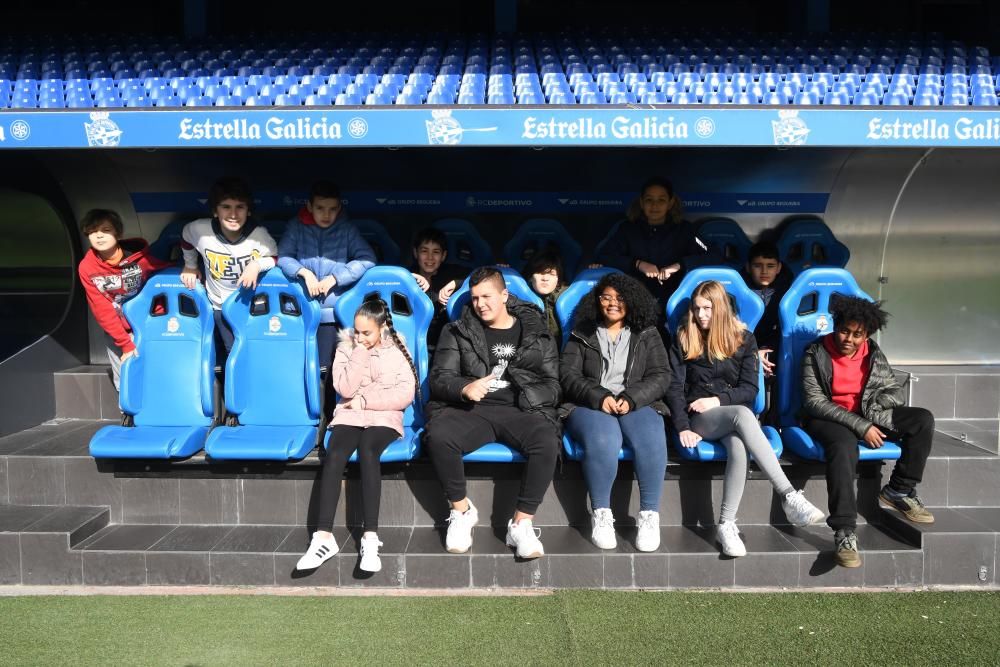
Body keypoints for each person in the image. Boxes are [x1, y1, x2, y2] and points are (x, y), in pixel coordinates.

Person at [667, 280, 825, 557]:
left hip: (730, 415)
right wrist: (681, 426)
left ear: (721, 309)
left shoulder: (744, 339)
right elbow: (675, 389)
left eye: (707, 308)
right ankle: (789, 494)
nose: (701, 315)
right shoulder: (683, 337)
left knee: (739, 448)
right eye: (697, 308)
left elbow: (750, 389)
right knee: (743, 414)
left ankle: (726, 525)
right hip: (700, 418)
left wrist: (717, 400)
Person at [424, 267, 561, 559]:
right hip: (472, 409)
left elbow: (553, 385)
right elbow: (439, 378)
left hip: (520, 409)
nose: (480, 304)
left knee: (547, 440)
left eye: (487, 296)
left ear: (504, 296)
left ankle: (521, 524)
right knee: (438, 435)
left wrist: (528, 396)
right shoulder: (456, 329)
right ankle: (461, 512)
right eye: (474, 298)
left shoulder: (537, 334)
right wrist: (465, 388)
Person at [800, 295, 935, 568]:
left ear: (867, 334)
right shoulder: (815, 352)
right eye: (844, 330)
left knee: (922, 419)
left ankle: (899, 490)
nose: (848, 339)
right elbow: (814, 401)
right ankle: (845, 531)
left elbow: (893, 391)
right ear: (835, 326)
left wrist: (873, 410)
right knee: (843, 446)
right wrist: (862, 426)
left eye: (857, 334)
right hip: (829, 418)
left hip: (867, 414)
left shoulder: (872, 352)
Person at [295, 297, 418, 573]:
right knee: (336, 453)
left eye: (367, 333)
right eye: (357, 331)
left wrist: (367, 401)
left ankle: (370, 537)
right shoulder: (345, 347)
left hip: (383, 416)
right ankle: (323, 537)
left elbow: (404, 394)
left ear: (382, 327)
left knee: (368, 450)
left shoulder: (398, 348)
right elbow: (345, 388)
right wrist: (359, 352)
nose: (360, 337)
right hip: (349, 414)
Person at [560, 273, 670, 551]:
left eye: (619, 298)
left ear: (631, 301)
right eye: (606, 297)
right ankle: (601, 515)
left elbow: (660, 375)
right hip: (589, 404)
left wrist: (632, 398)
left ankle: (648, 516)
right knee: (604, 439)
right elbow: (568, 375)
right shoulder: (581, 331)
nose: (612, 303)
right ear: (597, 301)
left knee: (651, 438)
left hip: (637, 402)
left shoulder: (647, 332)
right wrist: (599, 396)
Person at [277, 181, 376, 366]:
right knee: (299, 363)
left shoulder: (346, 229)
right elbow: (283, 257)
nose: (326, 214)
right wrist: (304, 273)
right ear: (309, 206)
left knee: (327, 367)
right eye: (320, 208)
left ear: (339, 208)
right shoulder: (296, 227)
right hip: (299, 310)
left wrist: (335, 278)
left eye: (332, 209)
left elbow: (367, 259)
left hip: (333, 313)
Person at [180, 177, 277, 358]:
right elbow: (186, 239)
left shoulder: (259, 234)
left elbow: (274, 257)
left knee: (257, 348)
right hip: (220, 304)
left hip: (253, 305)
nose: (233, 214)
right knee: (233, 350)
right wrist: (190, 265)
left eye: (240, 207)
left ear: (248, 211)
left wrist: (256, 265)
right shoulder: (200, 230)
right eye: (226, 207)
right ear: (215, 211)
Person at [77, 208, 172, 390]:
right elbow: (101, 309)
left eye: (105, 230)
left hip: (148, 322)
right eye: (93, 231)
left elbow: (163, 273)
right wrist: (125, 344)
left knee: (155, 368)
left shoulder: (139, 258)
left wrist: (190, 269)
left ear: (118, 234)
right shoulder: (87, 268)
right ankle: (127, 412)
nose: (99, 236)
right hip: (118, 328)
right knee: (124, 369)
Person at [597, 176, 716, 308]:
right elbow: (605, 256)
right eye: (649, 200)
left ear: (670, 203)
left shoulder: (685, 230)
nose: (655, 205)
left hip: (677, 300)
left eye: (661, 200)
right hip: (635, 301)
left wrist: (678, 265)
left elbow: (713, 255)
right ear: (641, 203)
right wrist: (637, 264)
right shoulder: (628, 229)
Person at [743, 240, 794, 424]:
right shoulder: (740, 291)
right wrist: (754, 352)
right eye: (758, 266)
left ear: (779, 267)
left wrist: (766, 349)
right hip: (745, 347)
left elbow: (787, 329)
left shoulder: (788, 290)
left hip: (774, 346)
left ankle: (776, 420)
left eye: (770, 266)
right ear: (748, 267)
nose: (764, 271)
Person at [409, 227, 468, 350]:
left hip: (446, 344)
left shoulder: (452, 272)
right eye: (424, 251)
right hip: (412, 342)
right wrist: (408, 278)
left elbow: (481, 276)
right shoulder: (407, 274)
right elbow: (384, 277)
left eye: (436, 252)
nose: (430, 257)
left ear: (443, 255)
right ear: (415, 253)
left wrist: (455, 283)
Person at [522, 250, 567, 341]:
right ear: (530, 277)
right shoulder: (520, 297)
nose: (545, 278)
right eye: (540, 273)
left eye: (551, 274)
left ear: (558, 279)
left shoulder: (568, 298)